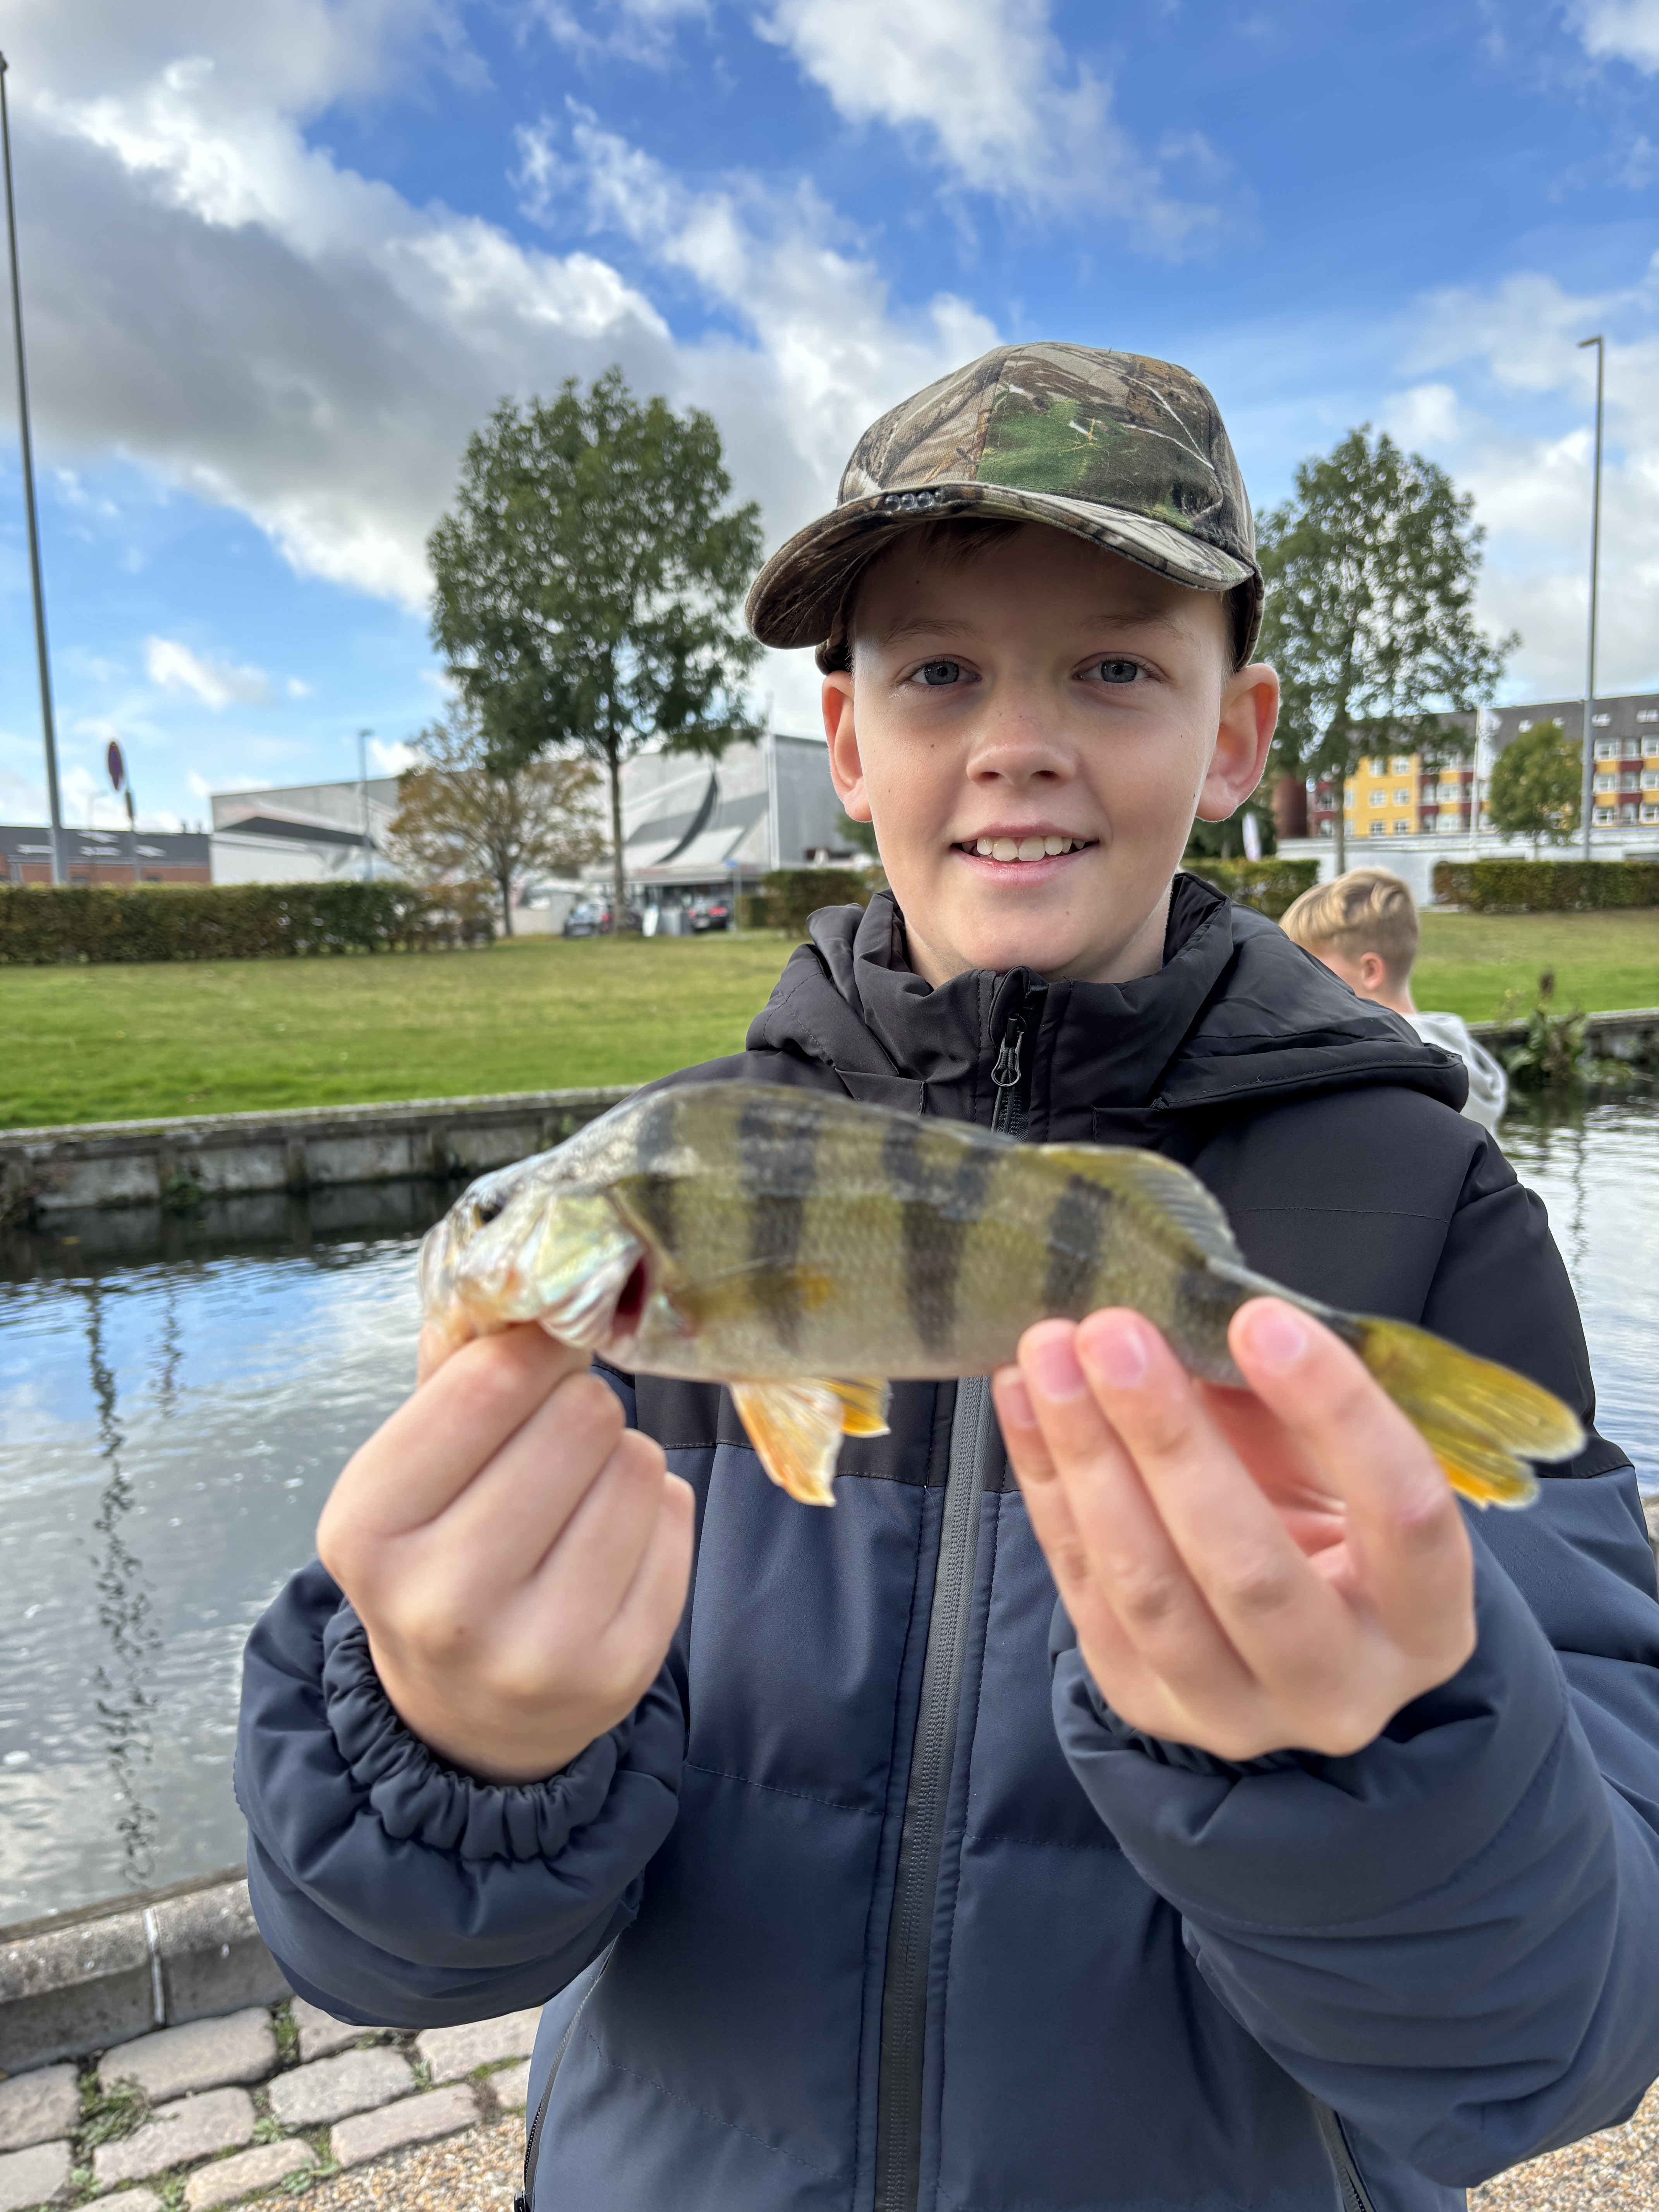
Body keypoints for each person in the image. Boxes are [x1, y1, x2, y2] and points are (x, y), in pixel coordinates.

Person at [237, 344, 1659, 2212]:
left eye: (1117, 665)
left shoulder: (1423, 1198)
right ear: (850, 747)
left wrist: (1377, 1766)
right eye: (936, 671)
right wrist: (454, 1749)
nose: (1017, 738)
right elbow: (387, 1965)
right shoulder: (663, 1212)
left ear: (1238, 736)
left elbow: (1572, 2022)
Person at [1281, 866, 1509, 1133]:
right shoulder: (1458, 1054)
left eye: (1313, 971)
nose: (1300, 988)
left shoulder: (1388, 1068)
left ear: (1370, 971)